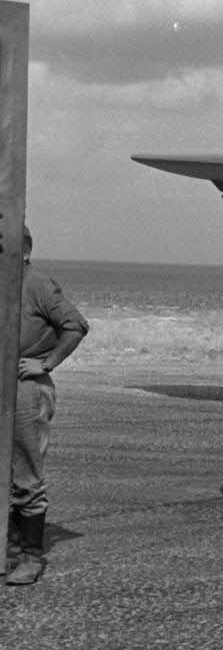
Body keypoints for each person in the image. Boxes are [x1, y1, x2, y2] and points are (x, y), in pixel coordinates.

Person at [6, 225, 88, 586]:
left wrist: (47, 363)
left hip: (27, 388)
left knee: (26, 475)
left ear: (24, 252)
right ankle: (10, 548)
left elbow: (75, 325)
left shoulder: (37, 284)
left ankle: (30, 556)